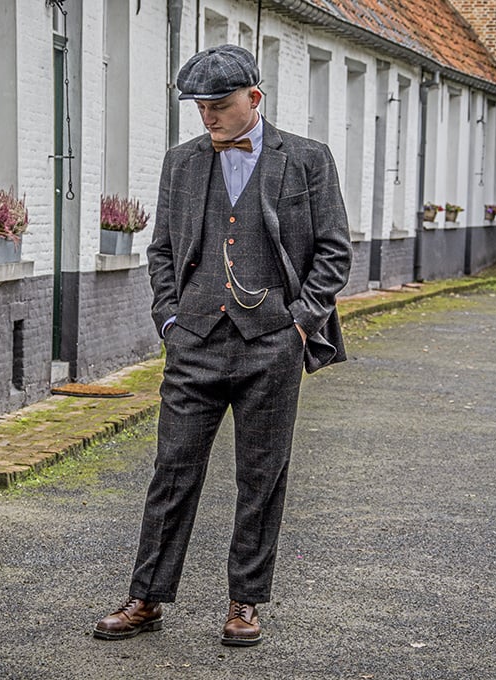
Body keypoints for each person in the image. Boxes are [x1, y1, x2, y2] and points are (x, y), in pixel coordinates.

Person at [94, 44, 351, 647]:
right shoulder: (181, 163)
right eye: (200, 107)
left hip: (271, 346)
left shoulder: (308, 160)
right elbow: (161, 250)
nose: (208, 117)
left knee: (261, 477)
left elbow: (333, 251)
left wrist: (298, 324)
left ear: (253, 99)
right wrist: (168, 319)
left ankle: (245, 603)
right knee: (172, 471)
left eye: (219, 105)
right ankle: (147, 597)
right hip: (195, 344)